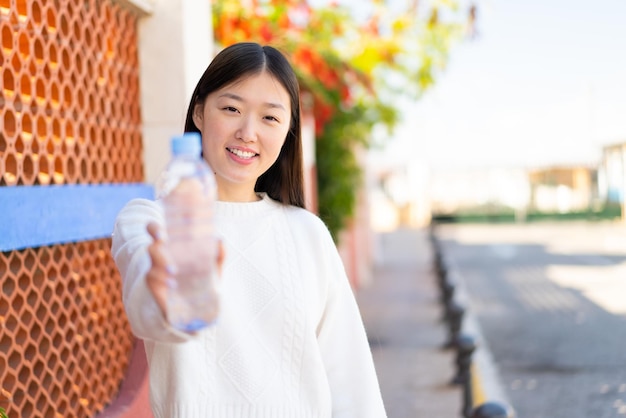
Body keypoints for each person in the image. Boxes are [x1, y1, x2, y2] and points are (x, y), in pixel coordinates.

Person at [111, 42, 387, 418]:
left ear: (289, 130)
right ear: (199, 113)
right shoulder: (148, 221)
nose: (247, 132)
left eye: (269, 118)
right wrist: (167, 292)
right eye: (231, 109)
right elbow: (153, 315)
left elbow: (350, 379)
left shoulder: (308, 233)